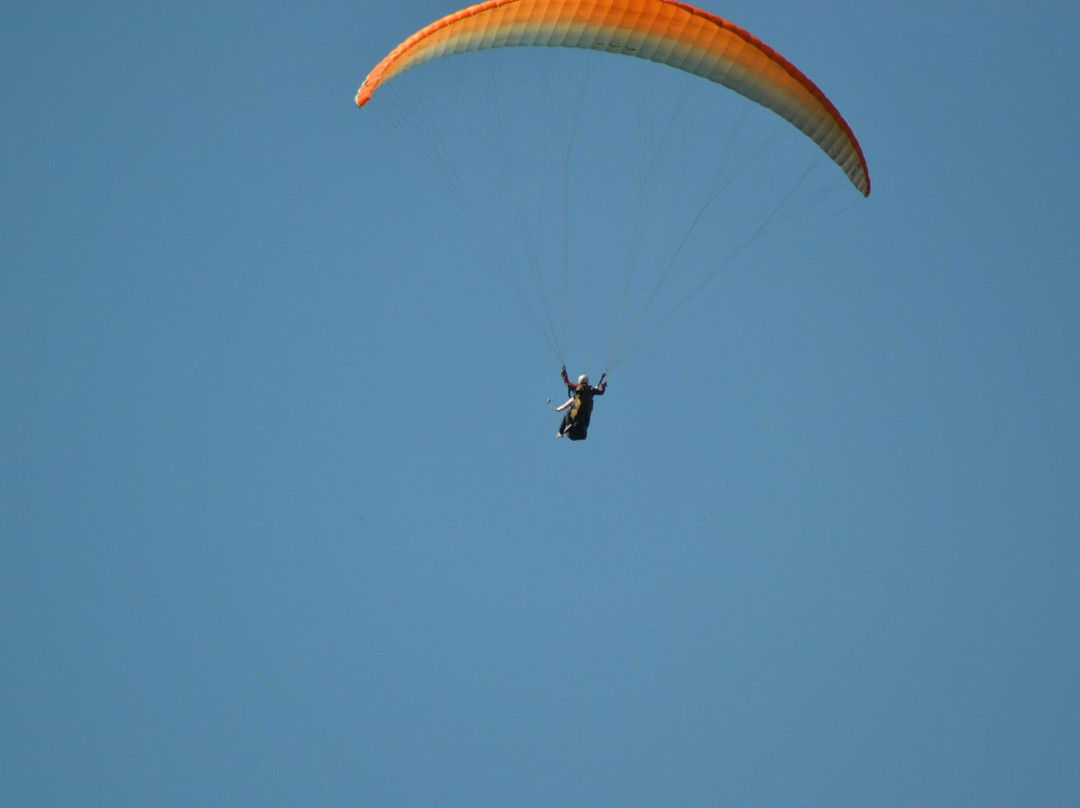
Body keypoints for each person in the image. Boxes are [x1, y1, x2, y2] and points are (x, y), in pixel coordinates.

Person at [555, 366, 607, 440]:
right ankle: (580, 427)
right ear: (587, 381)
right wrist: (603, 386)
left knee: (568, 411)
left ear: (579, 381)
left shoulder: (577, 387)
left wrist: (564, 375)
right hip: (583, 432)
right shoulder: (591, 390)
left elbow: (567, 383)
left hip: (573, 431)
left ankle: (566, 427)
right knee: (586, 419)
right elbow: (601, 392)